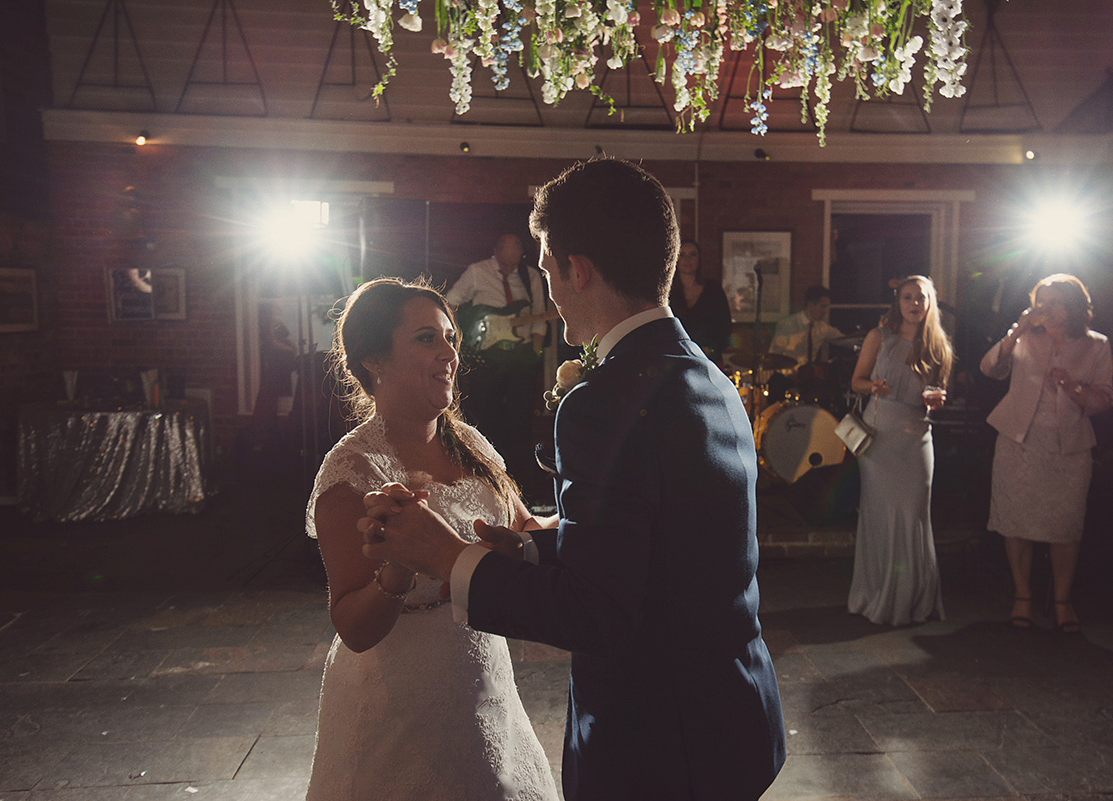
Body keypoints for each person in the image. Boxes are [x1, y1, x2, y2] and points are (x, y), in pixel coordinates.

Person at [360, 158, 786, 801]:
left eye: (548, 266)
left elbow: (599, 614)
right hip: (731, 714)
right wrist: (535, 545)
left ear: (577, 269)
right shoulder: (707, 375)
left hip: (657, 745)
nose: (548, 286)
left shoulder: (604, 400)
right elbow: (668, 541)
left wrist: (446, 556)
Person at [303, 277, 559, 801]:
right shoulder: (351, 473)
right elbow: (353, 626)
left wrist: (591, 505)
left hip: (484, 681)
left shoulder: (471, 445)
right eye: (426, 338)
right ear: (374, 360)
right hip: (398, 702)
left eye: (450, 338)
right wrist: (397, 571)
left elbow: (522, 533)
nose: (449, 353)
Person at [980, 273, 1113, 633]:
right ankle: (1022, 595)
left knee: (1065, 527)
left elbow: (1105, 398)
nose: (1044, 308)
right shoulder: (1024, 337)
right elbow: (989, 368)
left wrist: (1074, 388)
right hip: (1018, 442)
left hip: (1067, 448)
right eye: (1040, 300)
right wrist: (1016, 331)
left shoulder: (1096, 345)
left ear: (1072, 306)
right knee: (1016, 522)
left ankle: (1062, 600)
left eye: (1052, 301)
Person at [848, 275, 954, 626]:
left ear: (929, 304)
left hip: (916, 435)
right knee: (881, 515)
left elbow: (939, 394)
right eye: (907, 297)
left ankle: (913, 599)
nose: (913, 304)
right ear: (898, 302)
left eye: (920, 298)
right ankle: (877, 594)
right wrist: (873, 386)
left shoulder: (939, 346)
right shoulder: (878, 337)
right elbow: (856, 380)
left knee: (914, 515)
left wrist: (939, 401)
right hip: (880, 434)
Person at [446, 233, 549, 486]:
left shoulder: (530, 276)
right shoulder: (477, 272)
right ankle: (485, 477)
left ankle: (521, 481)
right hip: (486, 357)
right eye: (504, 263)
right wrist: (466, 332)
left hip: (520, 356)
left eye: (514, 263)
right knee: (484, 417)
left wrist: (535, 355)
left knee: (520, 420)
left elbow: (540, 316)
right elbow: (450, 301)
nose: (509, 268)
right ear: (496, 250)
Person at [669, 239, 732, 366]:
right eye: (682, 254)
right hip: (675, 361)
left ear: (699, 259)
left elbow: (725, 326)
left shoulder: (713, 289)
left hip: (709, 360)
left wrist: (711, 349)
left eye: (693, 254)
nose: (687, 259)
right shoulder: (668, 291)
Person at [770, 285, 845, 367]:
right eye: (823, 306)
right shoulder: (788, 324)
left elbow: (844, 340)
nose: (826, 311)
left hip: (809, 375)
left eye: (827, 307)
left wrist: (859, 341)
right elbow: (774, 355)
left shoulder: (823, 328)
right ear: (810, 306)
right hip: (787, 374)